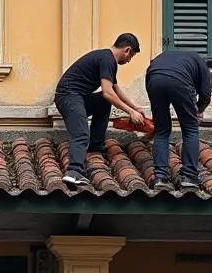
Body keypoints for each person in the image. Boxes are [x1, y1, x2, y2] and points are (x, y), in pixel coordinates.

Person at [54, 33, 144, 187]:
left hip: (79, 98)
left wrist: (134, 107)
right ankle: (74, 172)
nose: (129, 61)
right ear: (127, 50)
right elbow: (108, 93)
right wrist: (130, 112)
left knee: (103, 102)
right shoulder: (107, 59)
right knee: (82, 134)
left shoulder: (107, 59)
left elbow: (114, 89)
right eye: (132, 56)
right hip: (68, 97)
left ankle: (95, 146)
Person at [144, 50, 212, 192]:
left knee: (161, 131)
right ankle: (189, 177)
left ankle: (160, 178)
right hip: (178, 80)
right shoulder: (203, 68)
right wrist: (198, 111)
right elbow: (205, 96)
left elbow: (152, 73)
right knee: (190, 129)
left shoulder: (186, 61)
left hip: (153, 79)